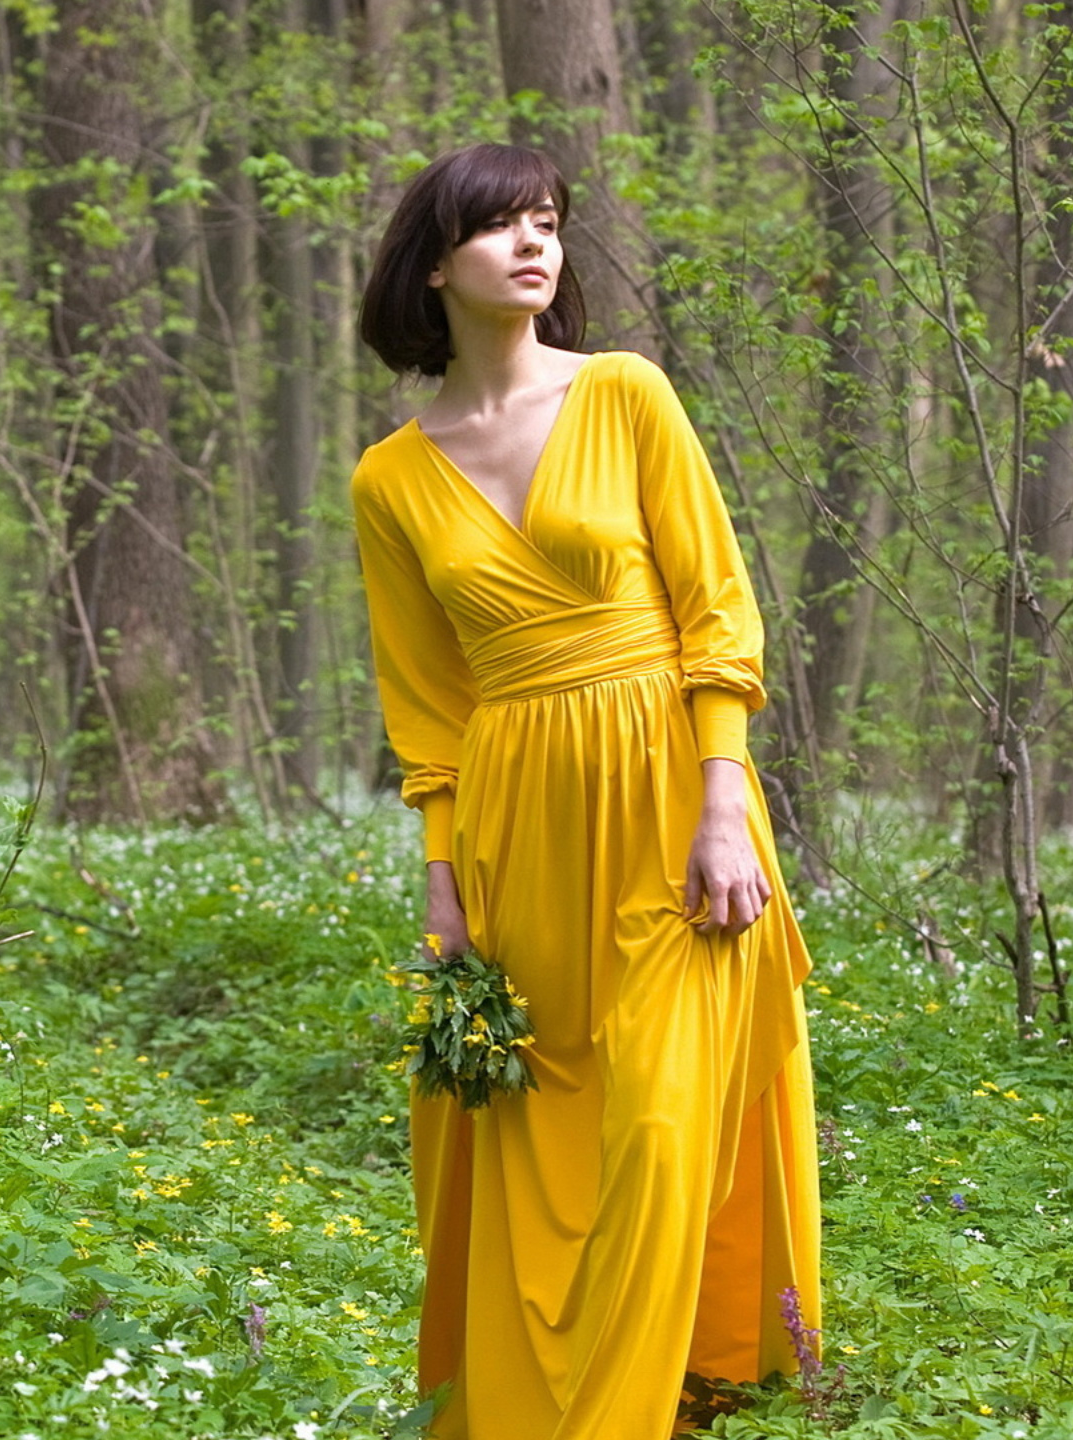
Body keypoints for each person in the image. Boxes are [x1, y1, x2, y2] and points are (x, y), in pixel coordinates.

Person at [350, 142, 823, 1439]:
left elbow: (716, 611)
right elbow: (428, 709)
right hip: (516, 832)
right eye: (500, 226)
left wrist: (724, 803)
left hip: (675, 808)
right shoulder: (388, 481)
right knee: (536, 1133)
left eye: (546, 222)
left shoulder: (627, 395)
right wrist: (443, 883)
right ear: (434, 264)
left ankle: (637, 1404)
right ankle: (546, 1401)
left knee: (661, 1129)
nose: (534, 244)